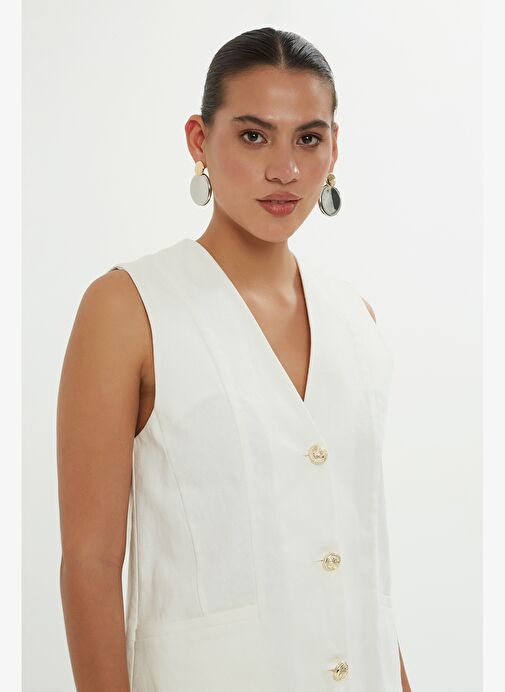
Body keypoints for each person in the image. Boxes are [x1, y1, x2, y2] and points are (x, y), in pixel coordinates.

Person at [57, 26, 412, 692]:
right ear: (199, 140)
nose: (285, 170)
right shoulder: (128, 309)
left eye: (308, 138)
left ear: (334, 148)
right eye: (253, 136)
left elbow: (360, 565)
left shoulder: (357, 322)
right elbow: (90, 563)